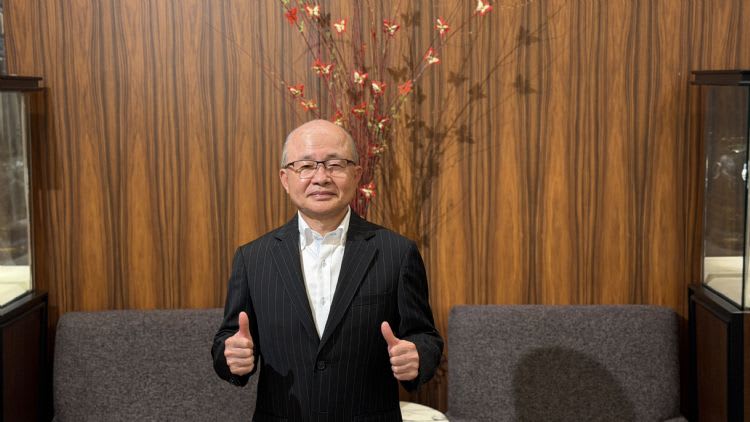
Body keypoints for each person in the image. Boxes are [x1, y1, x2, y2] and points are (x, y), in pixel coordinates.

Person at [212, 119, 443, 421]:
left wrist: (417, 355)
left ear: (356, 174)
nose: (321, 177)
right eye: (306, 166)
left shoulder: (397, 253)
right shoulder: (253, 258)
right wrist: (231, 356)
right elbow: (229, 337)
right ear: (285, 178)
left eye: (335, 165)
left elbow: (424, 335)